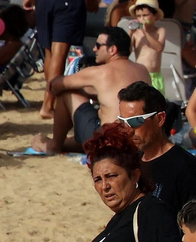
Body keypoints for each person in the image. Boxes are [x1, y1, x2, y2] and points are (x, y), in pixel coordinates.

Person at [35, 26, 150, 155]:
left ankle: (53, 145)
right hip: (137, 141)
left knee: (67, 92)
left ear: (112, 49)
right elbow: (115, 96)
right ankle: (62, 143)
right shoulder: (142, 70)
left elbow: (56, 85)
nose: (94, 49)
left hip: (109, 141)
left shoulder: (100, 72)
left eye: (98, 45)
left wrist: (72, 89)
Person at [118, 82, 196, 219]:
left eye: (135, 121)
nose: (128, 130)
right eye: (123, 121)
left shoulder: (184, 167)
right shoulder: (131, 161)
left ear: (160, 119)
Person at [126, 0, 166, 90]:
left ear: (155, 16)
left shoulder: (160, 31)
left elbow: (159, 48)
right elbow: (127, 51)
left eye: (145, 15)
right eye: (139, 16)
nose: (142, 19)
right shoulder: (136, 33)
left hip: (155, 75)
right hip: (140, 74)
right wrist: (130, 34)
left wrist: (146, 33)